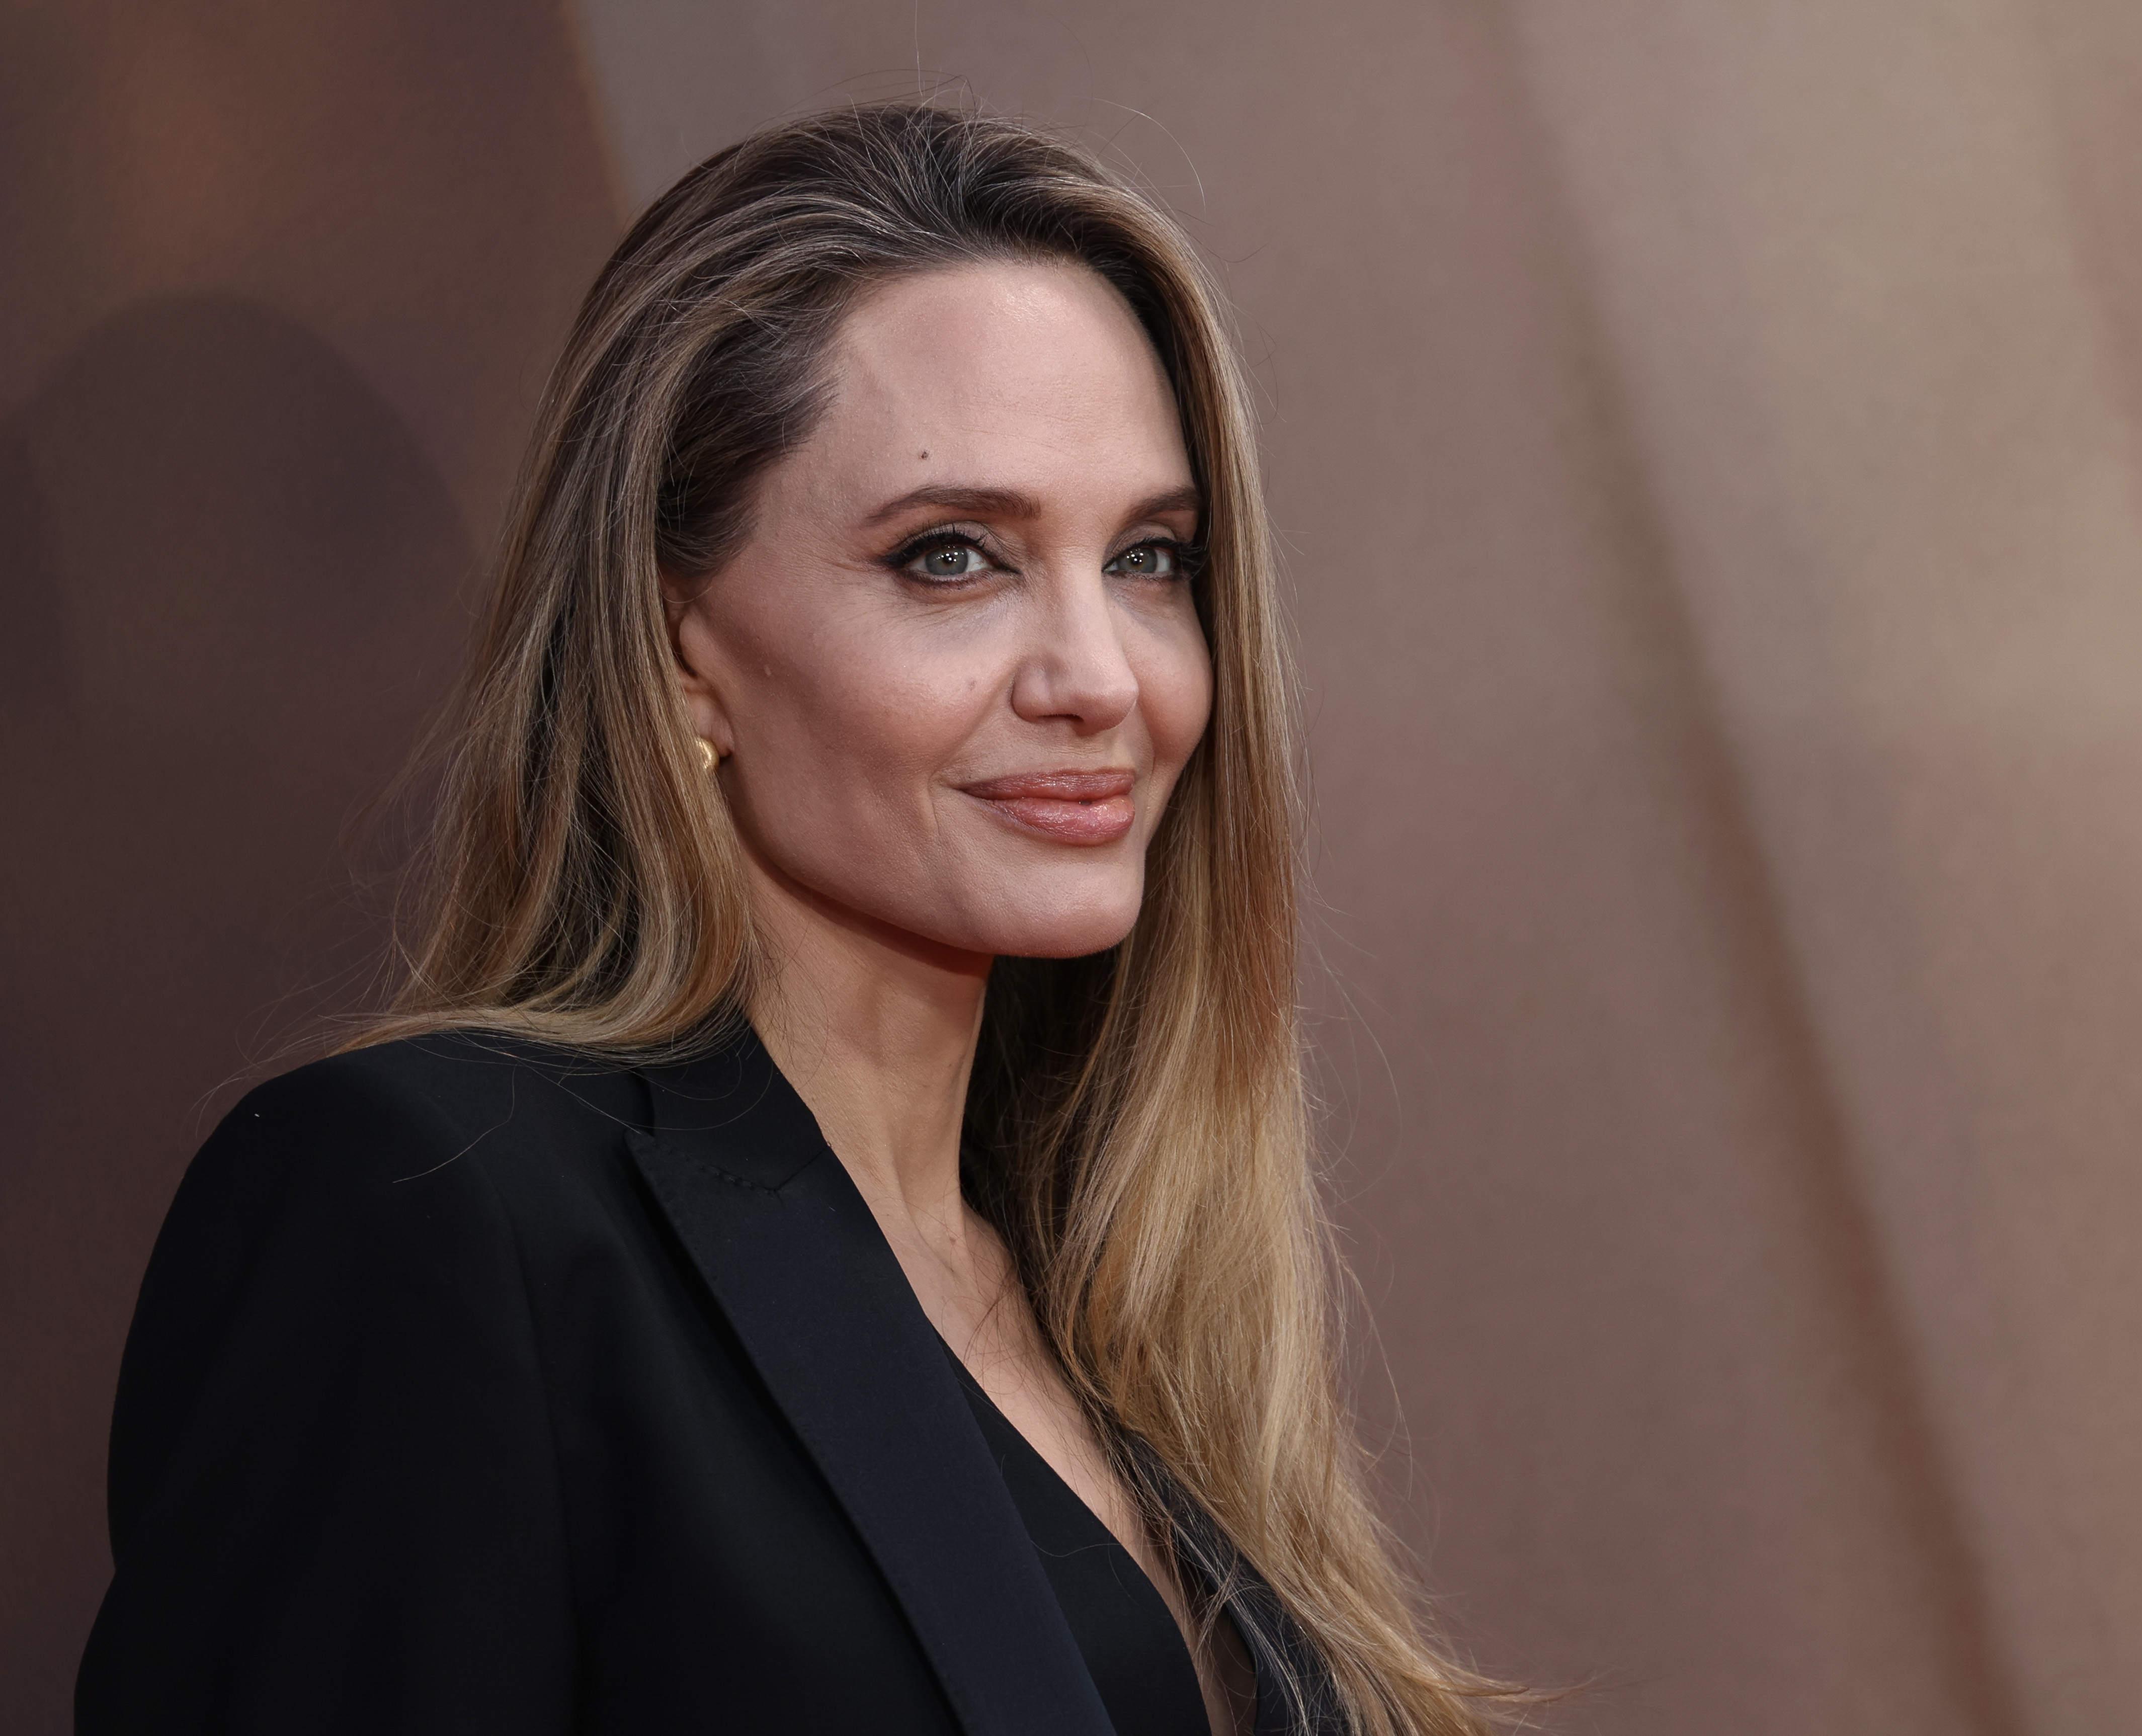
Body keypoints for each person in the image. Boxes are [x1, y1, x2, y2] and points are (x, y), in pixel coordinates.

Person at [74, 104, 1520, 1736]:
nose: (1100, 678)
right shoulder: (432, 1202)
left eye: (1150, 558)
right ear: (682, 644)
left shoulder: (1118, 1299)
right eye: (953, 556)